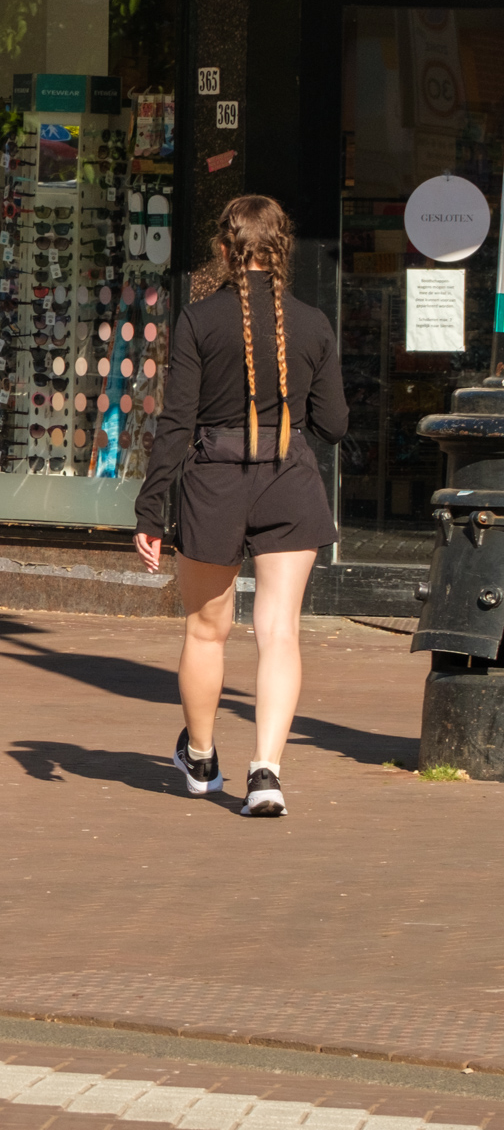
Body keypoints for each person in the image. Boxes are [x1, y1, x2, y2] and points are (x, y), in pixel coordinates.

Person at [134, 195, 347, 818]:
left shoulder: (198, 320)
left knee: (207, 630)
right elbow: (333, 424)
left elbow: (176, 424)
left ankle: (201, 759)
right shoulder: (313, 322)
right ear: (282, 249)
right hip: (289, 480)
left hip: (214, 484)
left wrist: (150, 510)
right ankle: (267, 773)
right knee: (279, 633)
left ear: (224, 250)